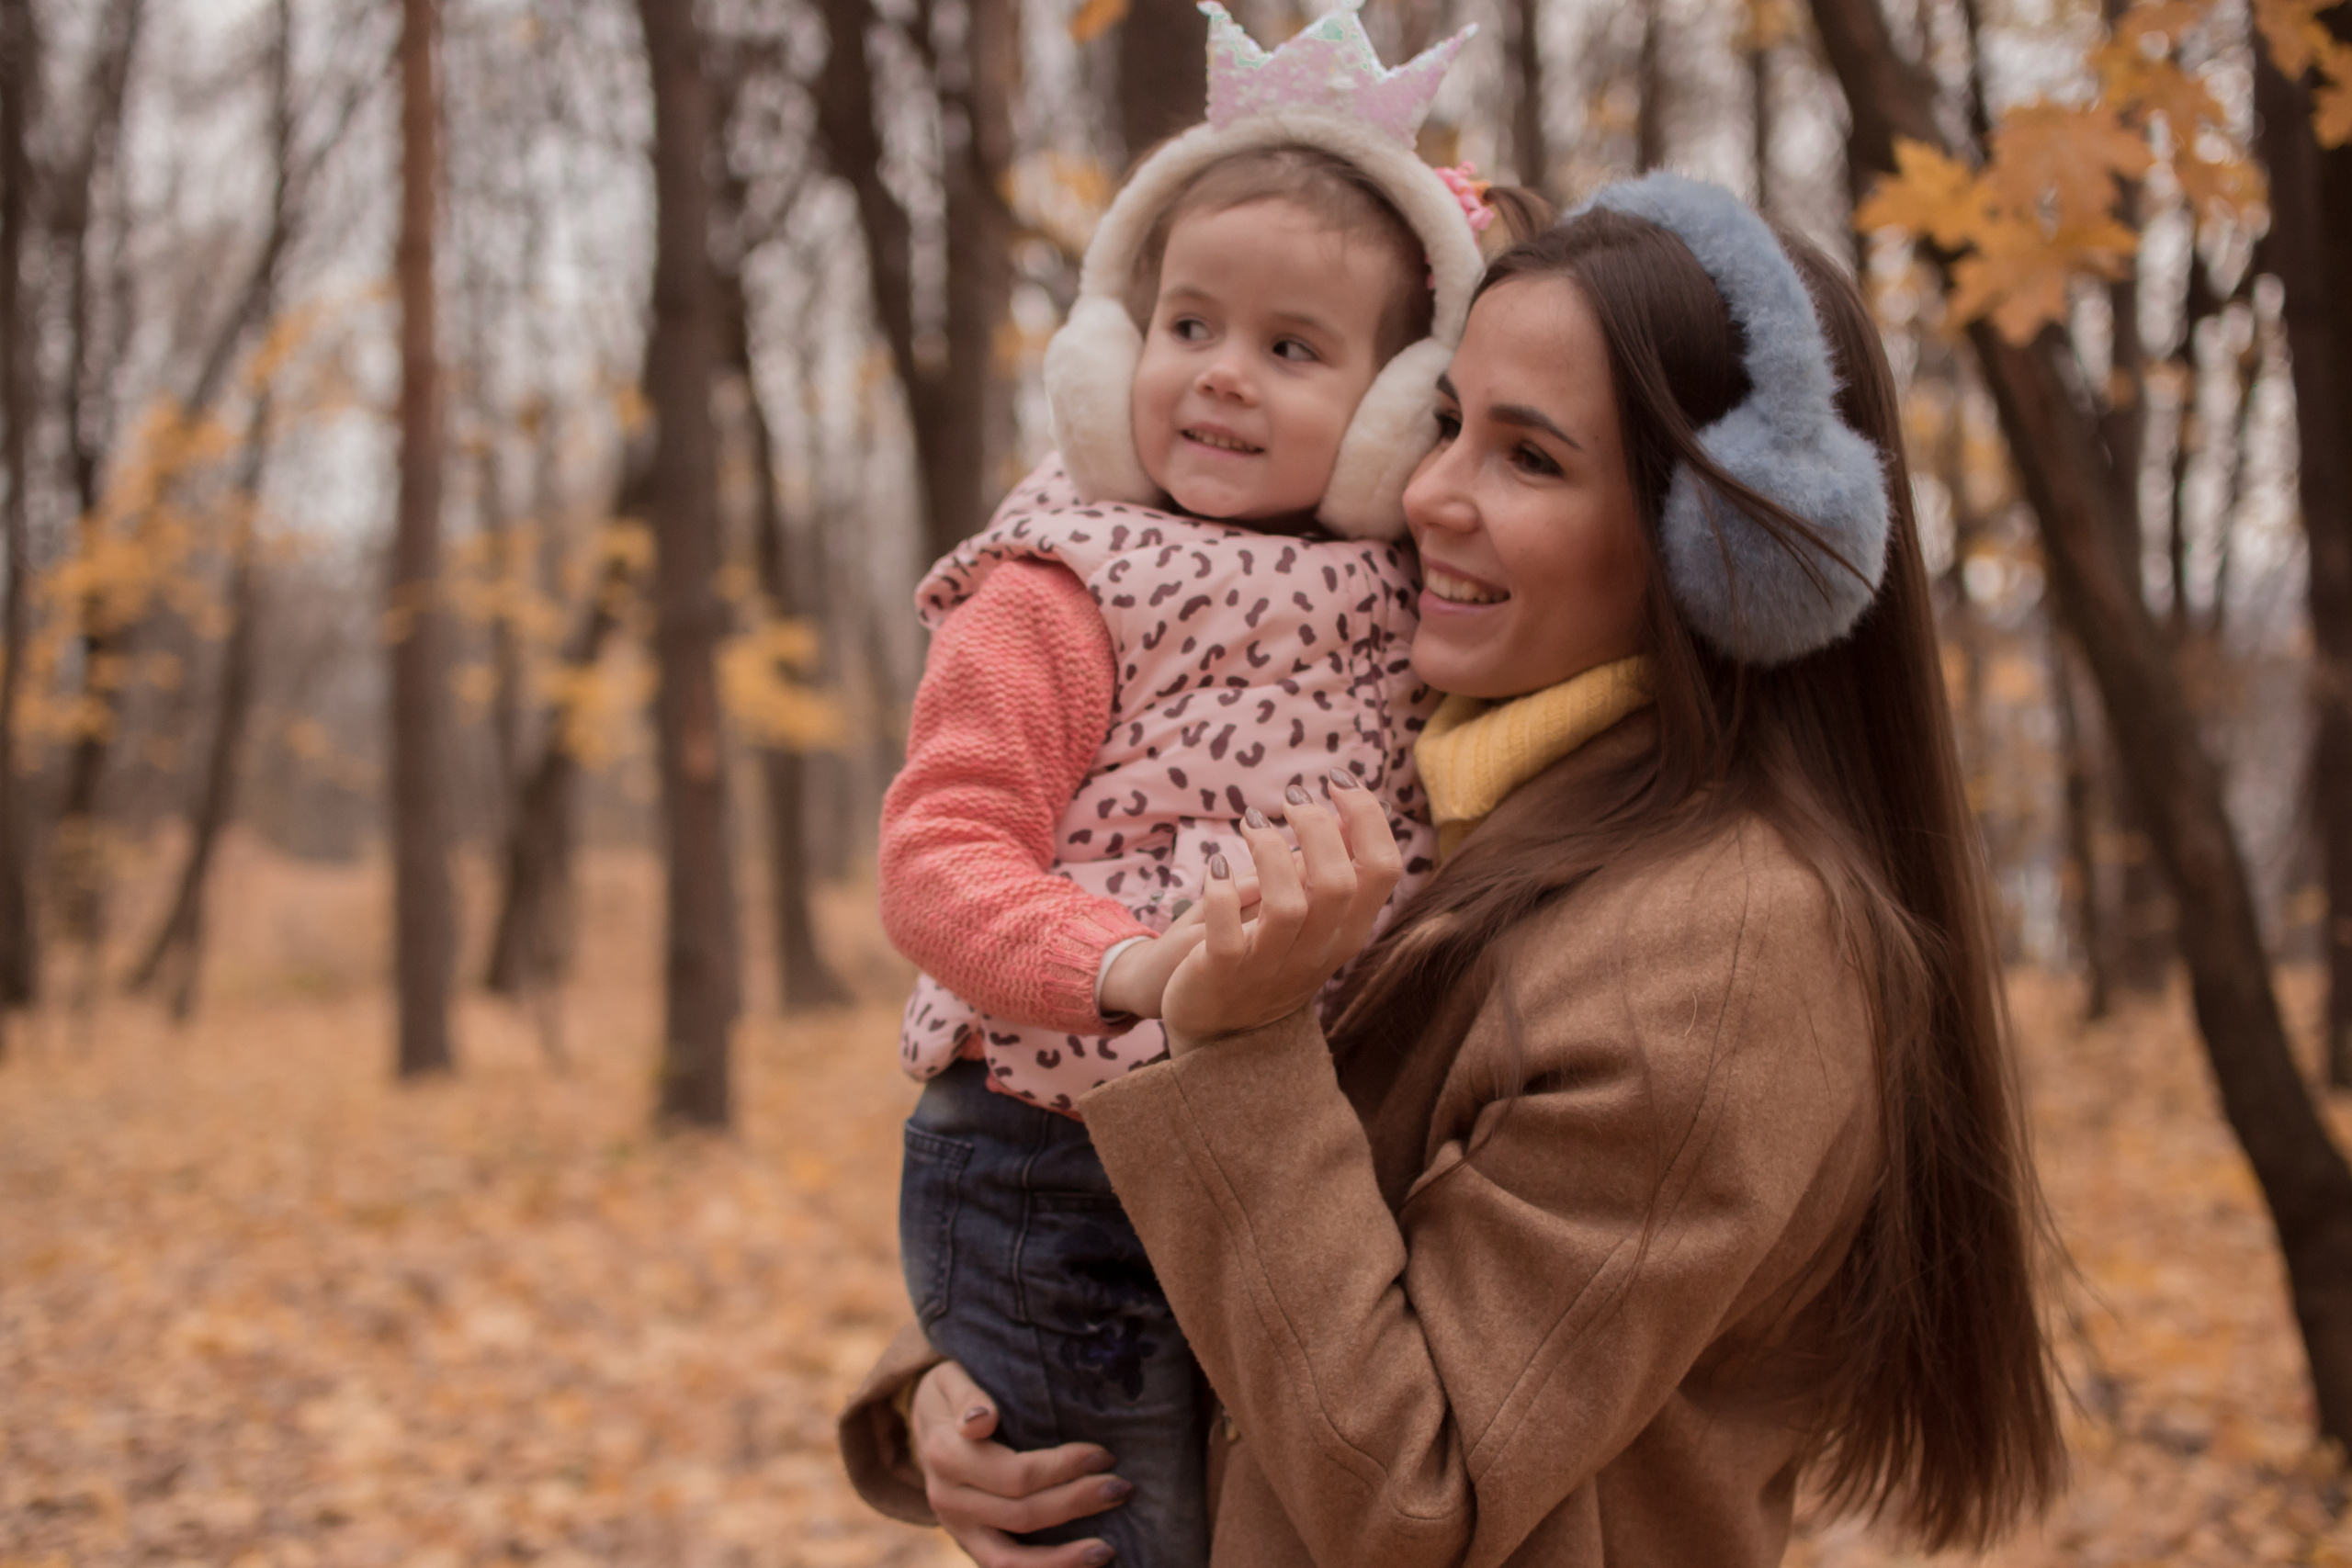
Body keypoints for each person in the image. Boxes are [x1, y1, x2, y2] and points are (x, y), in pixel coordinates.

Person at [842, 174, 2065, 1567]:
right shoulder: (1436, 778)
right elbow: (1257, 1226)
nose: (1427, 494)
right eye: (1441, 425)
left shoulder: (1726, 955)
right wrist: (980, 1372)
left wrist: (1228, 1041)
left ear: (1714, 552)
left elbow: (1416, 1496)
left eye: (1527, 458)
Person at [874, 7, 1539, 1564]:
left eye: (1293, 347)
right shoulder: (1061, 582)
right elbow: (939, 850)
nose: (1223, 378)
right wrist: (1124, 967)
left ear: (1397, 414)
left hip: (1276, 1166)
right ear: (1115, 348)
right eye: (1188, 327)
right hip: (1058, 1161)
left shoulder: (1403, 584)